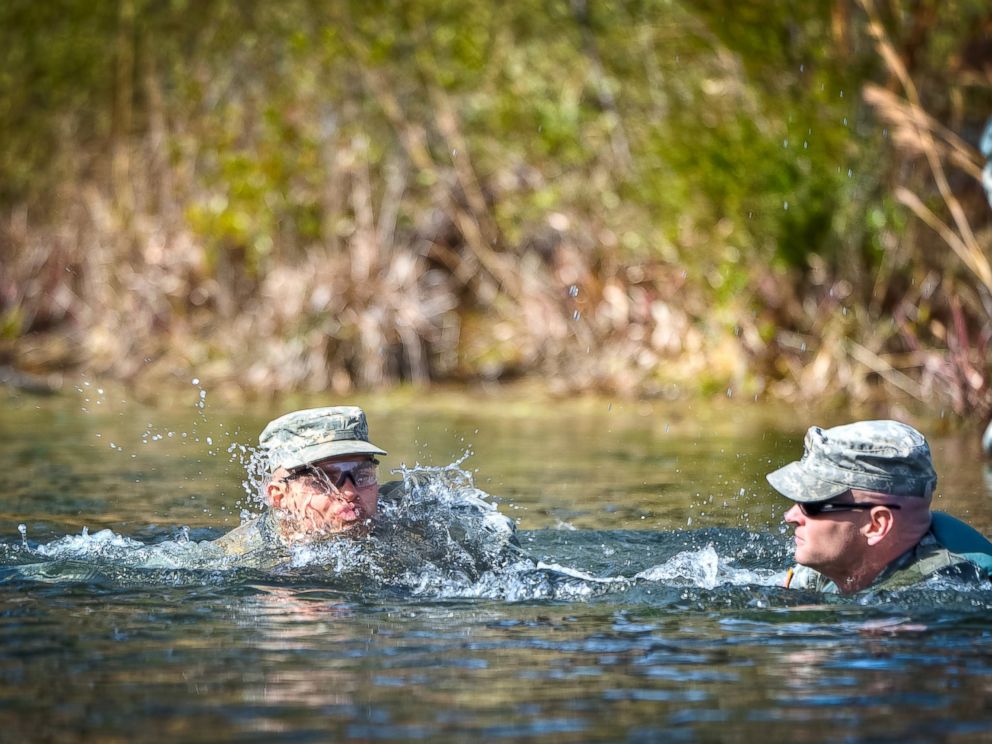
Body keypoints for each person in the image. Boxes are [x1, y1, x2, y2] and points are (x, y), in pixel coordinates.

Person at [768, 419, 992, 594]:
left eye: (812, 505)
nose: (791, 515)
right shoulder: (833, 560)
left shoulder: (940, 594)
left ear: (877, 525)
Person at [211, 405, 404, 566]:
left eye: (362, 475)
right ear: (279, 497)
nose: (349, 492)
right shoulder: (239, 556)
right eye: (323, 481)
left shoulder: (403, 510)